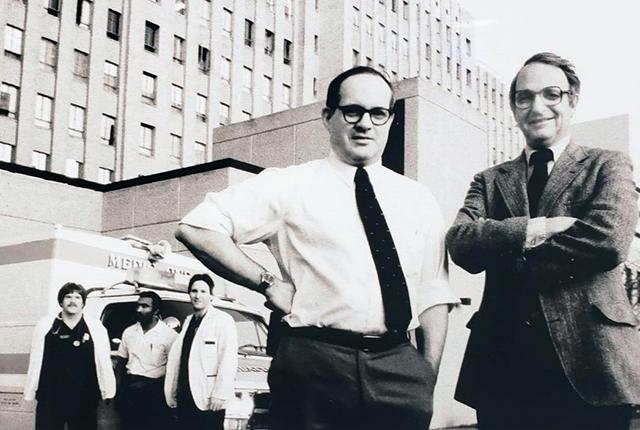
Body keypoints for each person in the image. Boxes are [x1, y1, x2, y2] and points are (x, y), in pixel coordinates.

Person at [174, 66, 458, 430]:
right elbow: (197, 227)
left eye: (378, 113)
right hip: (315, 362)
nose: (365, 124)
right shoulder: (291, 185)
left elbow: (433, 292)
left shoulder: (418, 198)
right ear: (328, 117)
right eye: (352, 111)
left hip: (399, 368)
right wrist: (267, 283)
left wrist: (424, 375)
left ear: (390, 119)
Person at [447, 52, 640, 430]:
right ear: (514, 108)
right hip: (504, 368)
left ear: (571, 100)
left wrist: (505, 244)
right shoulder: (489, 180)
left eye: (551, 94)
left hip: (592, 362)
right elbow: (461, 243)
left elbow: (608, 242)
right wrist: (541, 228)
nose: (538, 107)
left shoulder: (609, 164)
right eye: (525, 97)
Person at [24, 282, 116, 430]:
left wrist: (108, 389)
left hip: (84, 396)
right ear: (61, 301)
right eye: (68, 297)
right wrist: (32, 389)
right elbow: (35, 359)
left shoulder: (95, 328)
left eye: (77, 297)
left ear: (83, 303)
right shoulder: (46, 325)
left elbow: (104, 361)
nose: (73, 301)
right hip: (51, 396)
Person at [164, 274, 238, 430]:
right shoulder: (188, 321)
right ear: (189, 294)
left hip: (209, 397)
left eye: (203, 291)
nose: (198, 296)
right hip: (186, 395)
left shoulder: (222, 320)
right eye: (194, 291)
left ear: (211, 295)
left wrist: (220, 394)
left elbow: (228, 360)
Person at [116, 291, 178, 430]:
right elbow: (121, 360)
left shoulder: (169, 336)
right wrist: (119, 388)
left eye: (145, 306)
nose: (139, 310)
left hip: (154, 391)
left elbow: (174, 371)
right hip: (130, 388)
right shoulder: (129, 332)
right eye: (138, 306)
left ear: (155, 310)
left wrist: (149, 386)